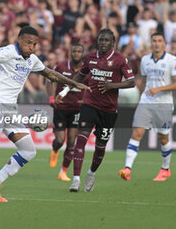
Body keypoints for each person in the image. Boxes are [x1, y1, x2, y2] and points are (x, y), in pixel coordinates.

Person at [0, 26, 91, 202]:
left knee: (29, 151)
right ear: (19, 39)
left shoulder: (32, 60)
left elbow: (51, 74)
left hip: (11, 107)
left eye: (35, 44)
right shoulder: (8, 51)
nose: (32, 46)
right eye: (29, 42)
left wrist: (74, 84)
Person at [63, 28, 135, 192]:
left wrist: (112, 86)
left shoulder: (120, 59)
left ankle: (91, 173)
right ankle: (75, 179)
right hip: (90, 105)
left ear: (113, 43)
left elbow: (131, 82)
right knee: (81, 139)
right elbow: (80, 76)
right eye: (100, 40)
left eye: (106, 40)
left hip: (109, 110)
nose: (103, 43)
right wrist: (65, 90)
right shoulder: (90, 58)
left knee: (100, 147)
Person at [118, 32, 176, 181]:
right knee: (136, 133)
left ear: (164, 43)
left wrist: (159, 89)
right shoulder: (144, 60)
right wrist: (139, 98)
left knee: (163, 138)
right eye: (154, 41)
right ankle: (127, 169)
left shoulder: (172, 60)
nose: (157, 43)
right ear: (151, 43)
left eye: (159, 41)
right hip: (146, 102)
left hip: (163, 104)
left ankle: (165, 169)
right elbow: (143, 81)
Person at [48, 44, 85, 182]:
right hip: (61, 108)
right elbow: (50, 80)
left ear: (83, 54)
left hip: (77, 109)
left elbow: (89, 87)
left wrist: (85, 100)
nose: (76, 53)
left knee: (71, 142)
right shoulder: (61, 67)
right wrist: (51, 97)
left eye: (79, 51)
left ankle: (63, 172)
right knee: (60, 140)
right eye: (74, 51)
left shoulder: (85, 70)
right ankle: (55, 149)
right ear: (70, 53)